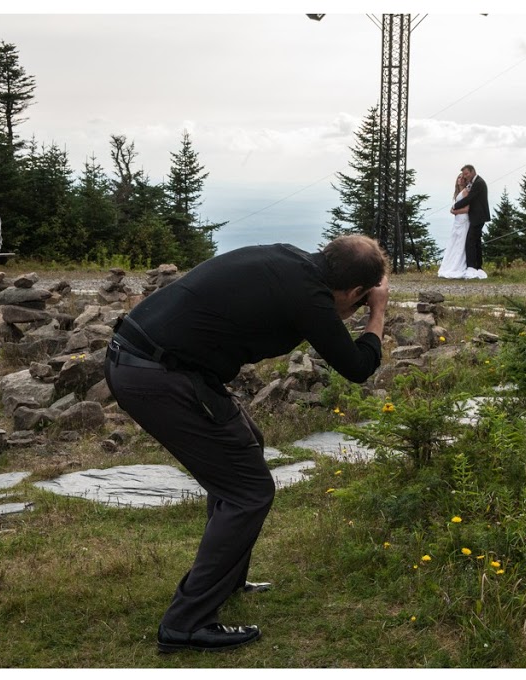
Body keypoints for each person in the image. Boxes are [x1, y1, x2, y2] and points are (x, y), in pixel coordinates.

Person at [104, 235, 390, 653]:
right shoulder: (310, 295)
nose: (357, 310)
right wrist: (378, 313)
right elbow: (358, 366)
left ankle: (227, 579)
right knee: (248, 492)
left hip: (151, 360)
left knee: (246, 446)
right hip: (158, 373)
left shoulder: (292, 262)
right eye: (360, 302)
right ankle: (186, 624)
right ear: (354, 291)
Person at [450, 164, 490, 278]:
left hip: (478, 216)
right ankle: (478, 266)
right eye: (464, 174)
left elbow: (469, 198)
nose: (465, 176)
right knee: (476, 241)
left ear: (473, 171)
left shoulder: (478, 183)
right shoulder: (473, 183)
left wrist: (455, 206)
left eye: (467, 174)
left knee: (471, 241)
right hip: (476, 216)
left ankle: (472, 267)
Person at [437, 171, 471, 279]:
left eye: (462, 178)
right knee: (455, 242)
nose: (460, 179)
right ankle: (451, 265)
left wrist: (455, 212)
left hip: (463, 220)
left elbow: (467, 209)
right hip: (458, 221)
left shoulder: (465, 192)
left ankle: (458, 266)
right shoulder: (459, 193)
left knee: (460, 243)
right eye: (459, 177)